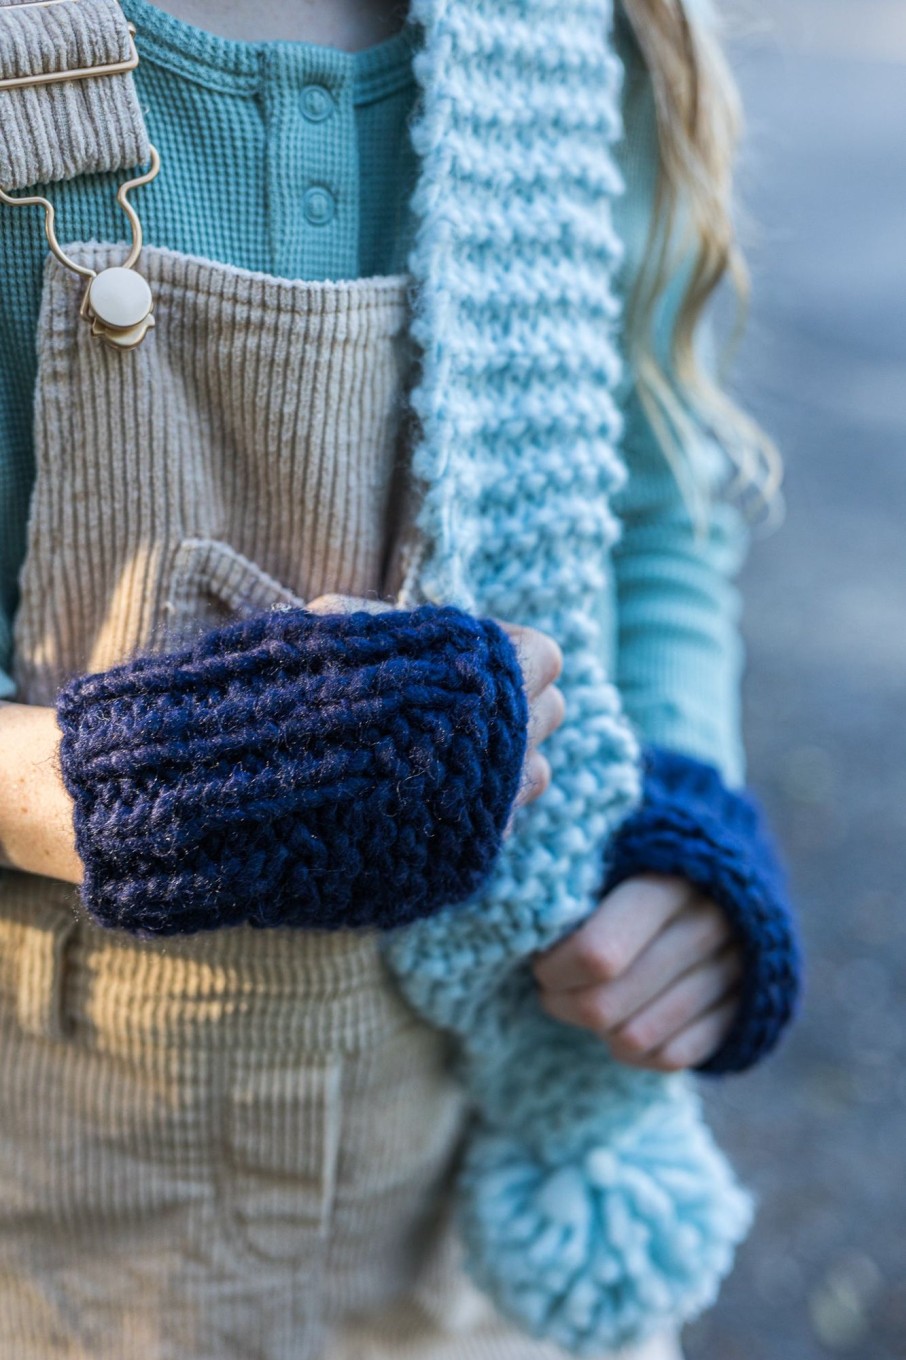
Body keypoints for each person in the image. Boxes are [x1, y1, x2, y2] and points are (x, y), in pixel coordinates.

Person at [0, 0, 801, 1357]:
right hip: (62, 1234)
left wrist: (679, 807)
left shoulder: (564, 36)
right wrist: (101, 790)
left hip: (460, 1230)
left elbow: (657, 512)